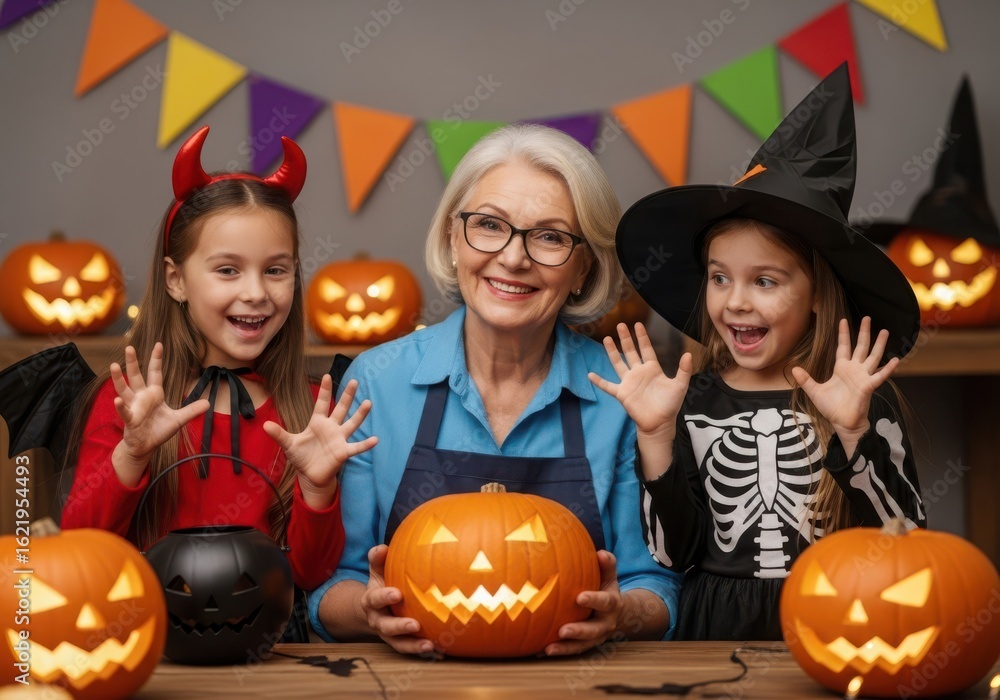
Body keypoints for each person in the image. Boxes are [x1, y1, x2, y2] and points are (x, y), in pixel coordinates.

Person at [307, 124, 682, 655]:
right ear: (452, 240)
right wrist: (365, 611)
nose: (513, 258)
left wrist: (622, 615)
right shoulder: (375, 380)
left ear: (582, 269)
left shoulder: (621, 393)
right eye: (489, 226)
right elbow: (329, 583)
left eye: (550, 236)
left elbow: (656, 585)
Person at [594, 64, 926, 641]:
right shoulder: (690, 404)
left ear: (819, 295)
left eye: (765, 282)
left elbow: (908, 544)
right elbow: (673, 557)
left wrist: (853, 434)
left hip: (841, 621)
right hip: (712, 627)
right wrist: (655, 438)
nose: (735, 302)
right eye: (720, 278)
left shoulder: (865, 401)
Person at [61, 126, 377, 597]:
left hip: (271, 654)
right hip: (151, 643)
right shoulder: (130, 404)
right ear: (176, 281)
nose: (255, 292)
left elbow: (311, 576)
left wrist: (317, 489)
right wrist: (132, 454)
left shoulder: (311, 411)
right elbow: (80, 545)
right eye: (227, 270)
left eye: (275, 270)